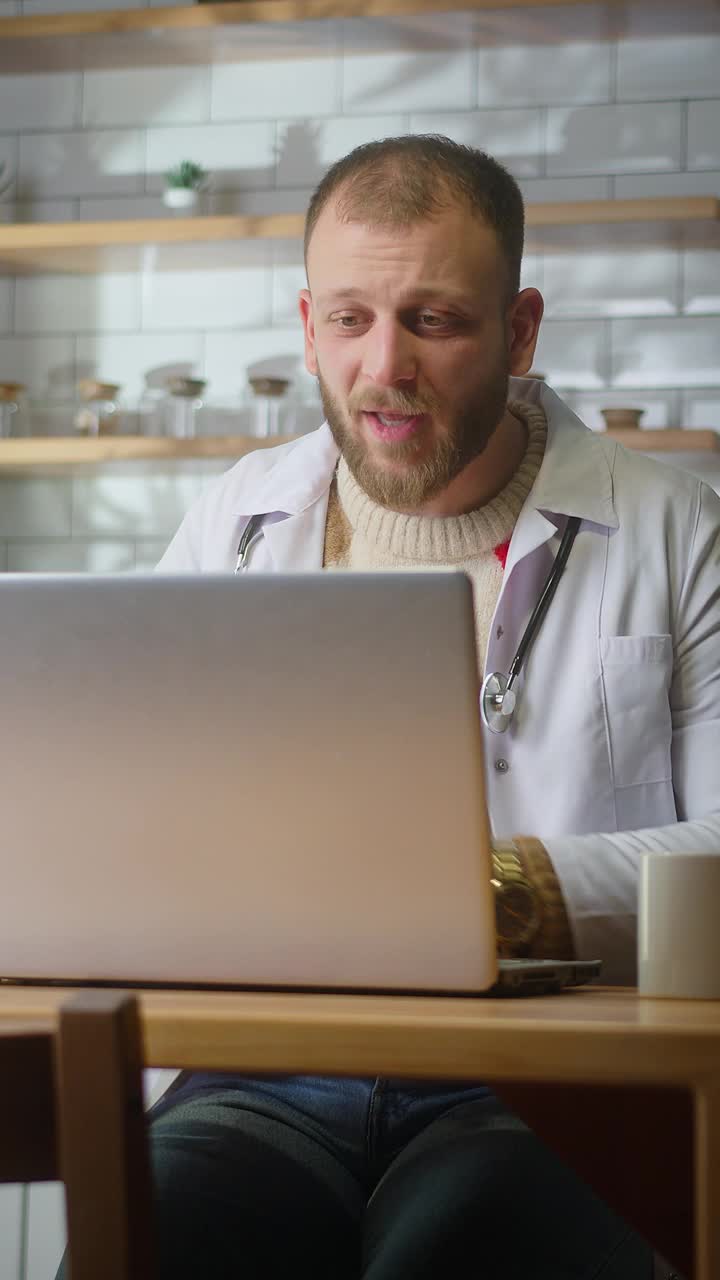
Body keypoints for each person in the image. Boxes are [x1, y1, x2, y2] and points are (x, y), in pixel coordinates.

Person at [148, 137, 720, 1278]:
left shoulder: (679, 529)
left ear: (517, 331)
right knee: (162, 1231)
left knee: (461, 1249)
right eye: (350, 319)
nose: (383, 367)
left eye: (435, 320)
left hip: (545, 1078)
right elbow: (141, 807)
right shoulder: (236, 517)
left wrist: (487, 888)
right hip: (265, 1071)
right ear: (309, 322)